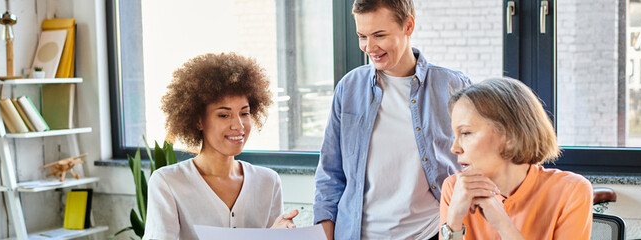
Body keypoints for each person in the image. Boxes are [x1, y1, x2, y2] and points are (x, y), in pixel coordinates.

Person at [313, 0, 472, 239]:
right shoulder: (349, 88)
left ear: (408, 26)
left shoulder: (453, 86)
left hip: (430, 232)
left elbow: (476, 162)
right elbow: (330, 174)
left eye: (379, 35)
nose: (369, 47)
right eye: (362, 36)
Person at [143, 53, 298, 240]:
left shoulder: (268, 181)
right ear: (199, 120)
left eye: (244, 113)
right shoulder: (167, 182)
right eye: (224, 115)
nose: (239, 125)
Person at [440, 78, 593, 240]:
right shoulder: (454, 188)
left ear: (510, 135)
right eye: (455, 135)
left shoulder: (571, 191)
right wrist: (454, 221)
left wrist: (502, 223)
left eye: (465, 133)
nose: (454, 148)